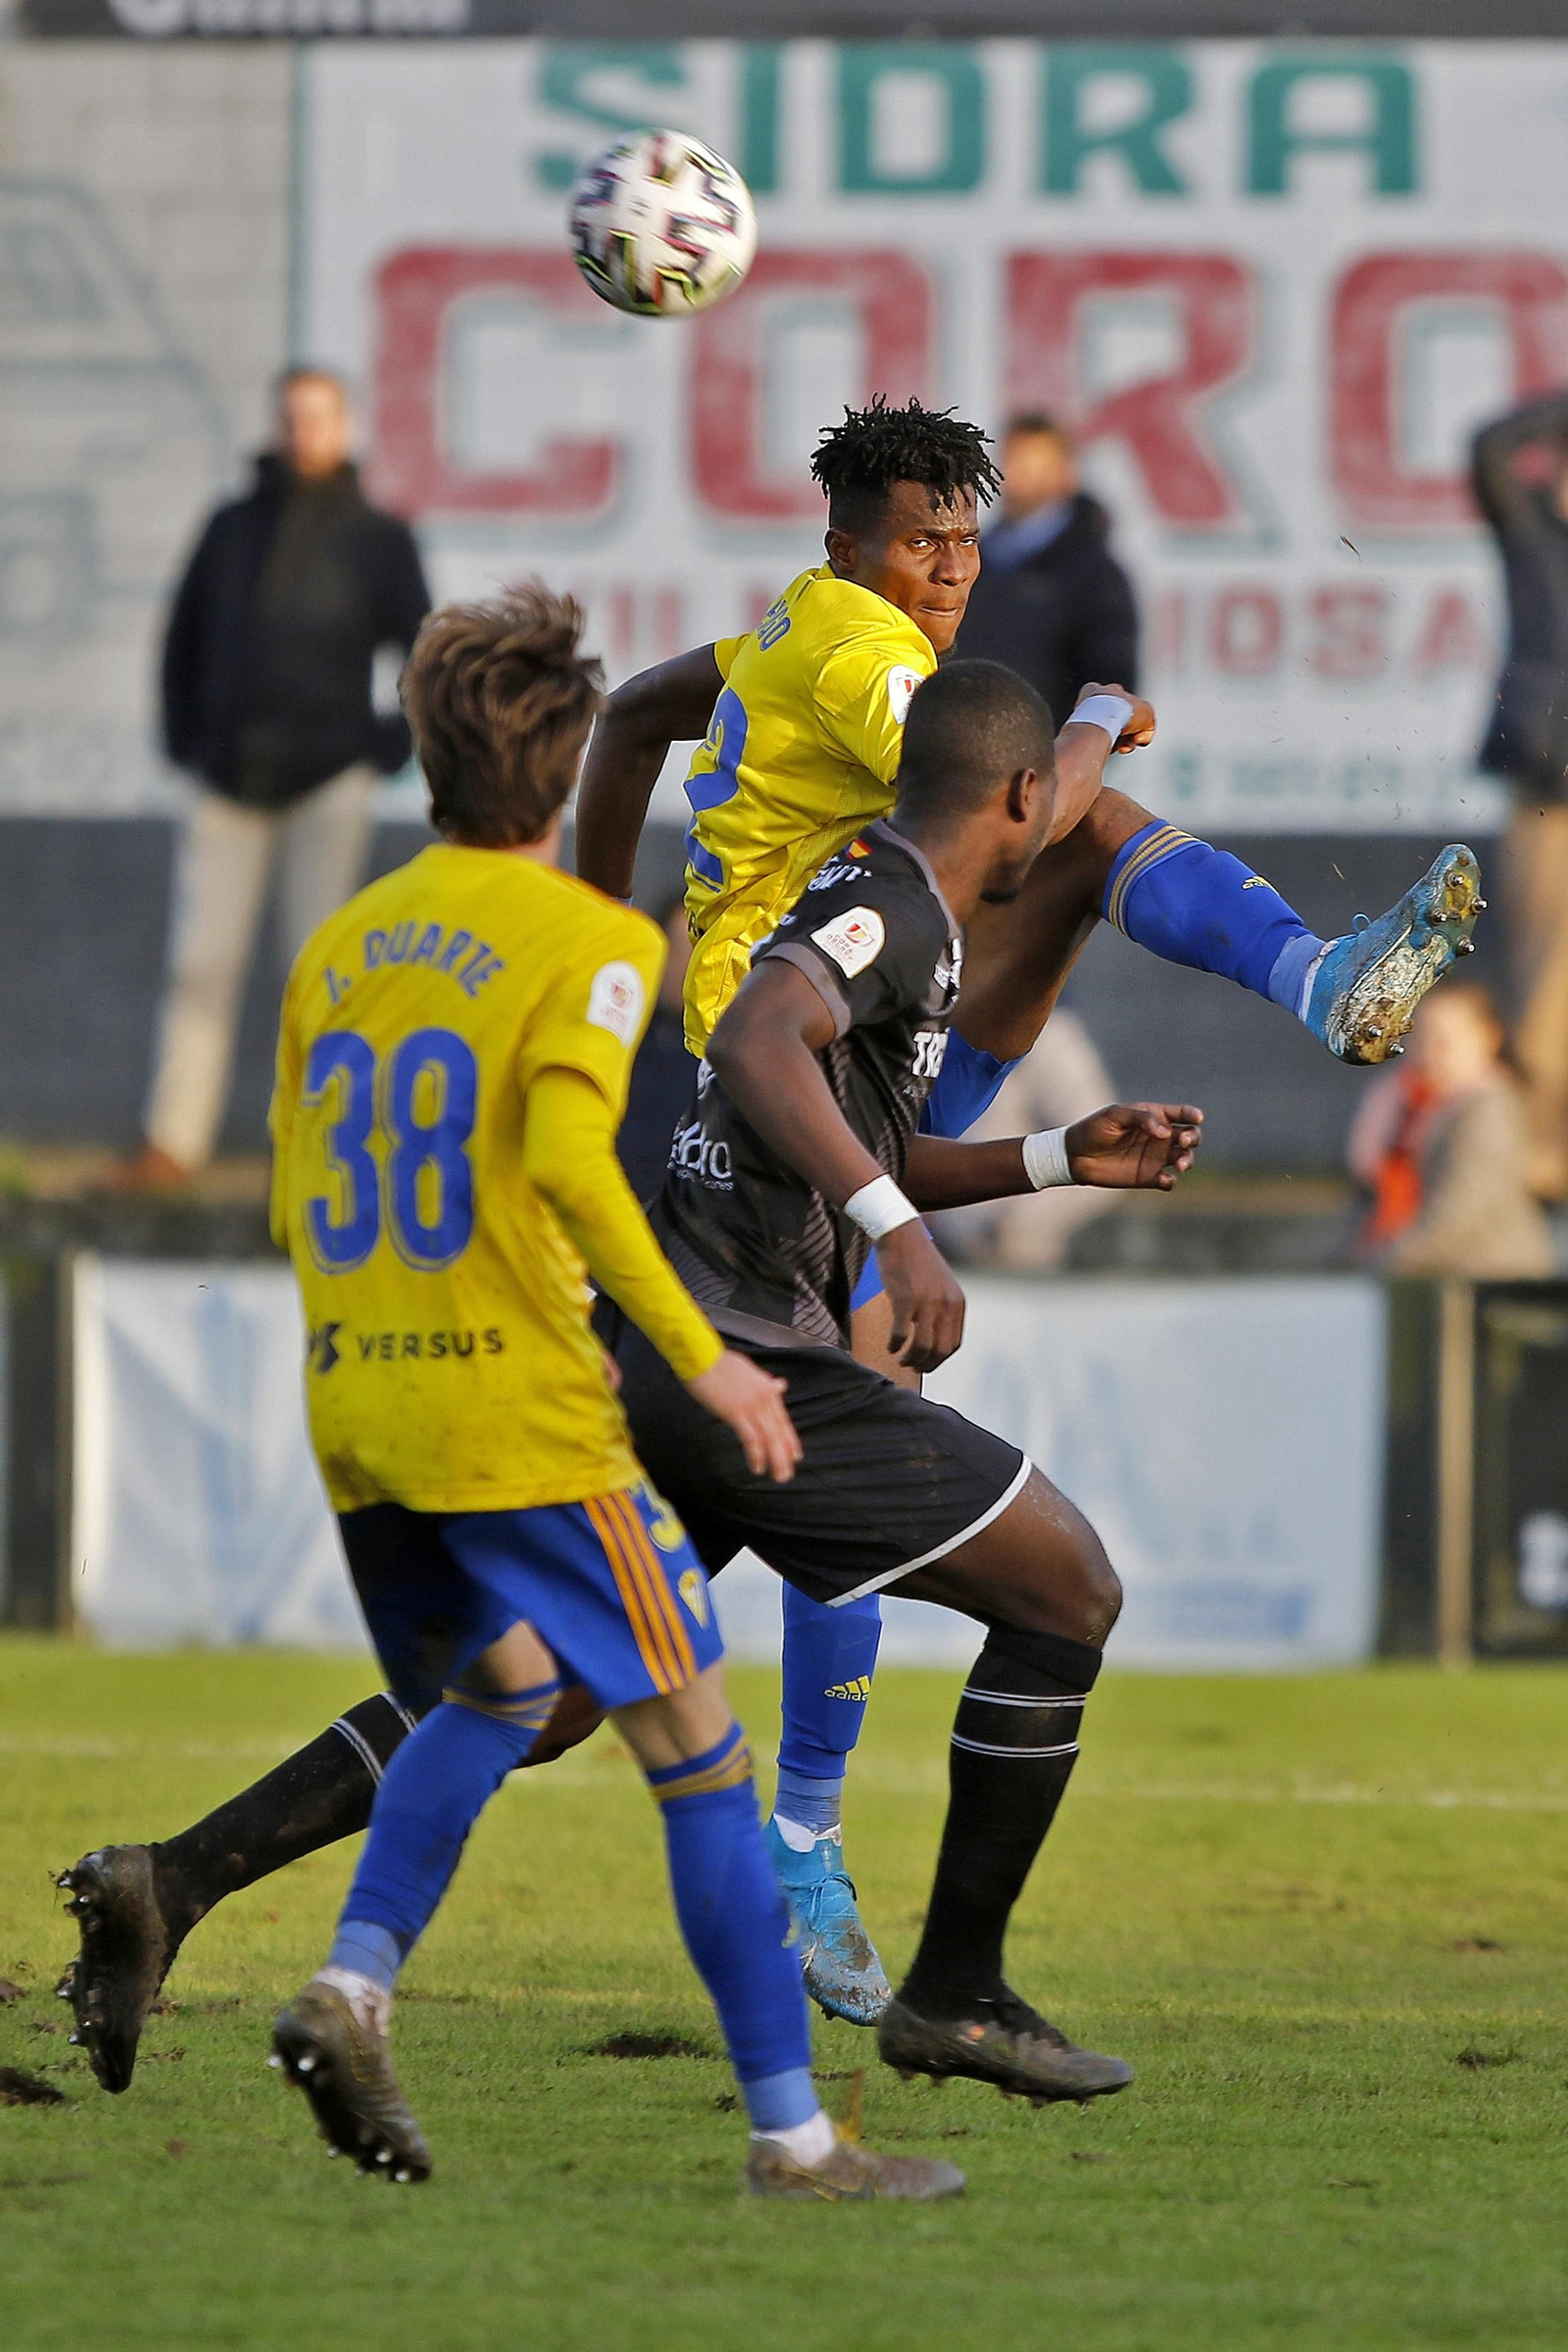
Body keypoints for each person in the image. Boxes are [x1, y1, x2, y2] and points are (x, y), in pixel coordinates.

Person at [57, 399, 1483, 2084]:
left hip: (803, 1103)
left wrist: (617, 937)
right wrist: (1096, 719)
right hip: (790, 1090)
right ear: (848, 549)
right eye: (920, 544)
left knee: (541, 1685)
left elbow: (641, 715)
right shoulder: (866, 664)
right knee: (1072, 863)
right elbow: (1004, 814)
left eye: (964, 544)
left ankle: (179, 1878)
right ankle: (824, 1861)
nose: (947, 573)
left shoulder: (794, 641)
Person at [258, 580, 962, 2199]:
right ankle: (795, 2141)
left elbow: (296, 1194)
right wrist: (708, 1361)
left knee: (502, 1689)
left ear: (427, 757)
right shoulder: (590, 941)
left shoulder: (340, 944)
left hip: (359, 1411)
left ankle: (353, 1985)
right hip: (522, 1417)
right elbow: (578, 1167)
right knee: (699, 1745)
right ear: (568, 768)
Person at [605, 657, 1201, 2103]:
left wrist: (1056, 1157)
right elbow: (756, 1037)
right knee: (1067, 1591)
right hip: (753, 1358)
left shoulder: (894, 896)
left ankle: (177, 1879)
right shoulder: (895, 902)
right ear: (1018, 799)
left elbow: (853, 1120)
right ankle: (952, 1990)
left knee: (535, 1690)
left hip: (701, 1355)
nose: (1058, 823)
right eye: (1048, 803)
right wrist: (895, 1234)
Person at [116, 368, 430, 1190]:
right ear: (277, 425)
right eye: (293, 418)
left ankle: (322, 1149)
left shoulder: (376, 537)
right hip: (226, 780)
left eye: (319, 418)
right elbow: (183, 637)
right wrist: (186, 739)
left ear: (346, 427)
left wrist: (385, 745)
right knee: (199, 965)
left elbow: (423, 654)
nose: (304, 433)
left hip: (327, 779)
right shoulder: (230, 528)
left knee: (321, 972)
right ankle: (172, 1143)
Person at [1471, 390, 1568, 1200]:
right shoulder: (1533, 528)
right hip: (1551, 776)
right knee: (1548, 965)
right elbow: (1490, 448)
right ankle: (1537, 1143)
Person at [1348, 982, 1554, 1279]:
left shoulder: (1487, 1107)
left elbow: (1463, 1213)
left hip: (1492, 1281)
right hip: (1436, 1276)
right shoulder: (1403, 1106)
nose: (1432, 1050)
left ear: (1490, 1037)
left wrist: (1385, 1262)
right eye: (1422, 1036)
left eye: (1448, 1038)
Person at [955, 412, 1138, 723]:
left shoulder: (1096, 576)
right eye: (1012, 460)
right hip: (966, 742)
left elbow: (1110, 690)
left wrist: (1066, 749)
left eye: (1033, 465)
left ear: (1066, 474)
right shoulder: (970, 561)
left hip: (1045, 749)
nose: (1016, 476)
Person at [932, 1011, 1121, 1272]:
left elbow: (1105, 1156)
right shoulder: (917, 1022)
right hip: (905, 1246)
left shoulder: (1049, 1039)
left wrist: (1011, 1225)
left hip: (1007, 1265)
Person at [615, 892, 696, 1203]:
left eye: (699, 950)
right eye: (680, 948)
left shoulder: (729, 1059)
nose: (687, 966)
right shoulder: (620, 1036)